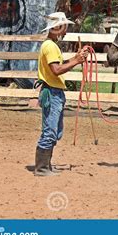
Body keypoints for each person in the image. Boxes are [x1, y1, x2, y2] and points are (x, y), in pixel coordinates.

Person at [34, 12, 88, 176]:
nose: (65, 31)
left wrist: (75, 58)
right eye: (64, 27)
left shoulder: (50, 45)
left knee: (54, 130)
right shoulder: (50, 46)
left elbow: (57, 66)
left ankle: (45, 165)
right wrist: (77, 61)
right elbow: (56, 70)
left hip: (52, 91)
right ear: (56, 28)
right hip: (52, 92)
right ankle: (42, 168)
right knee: (50, 130)